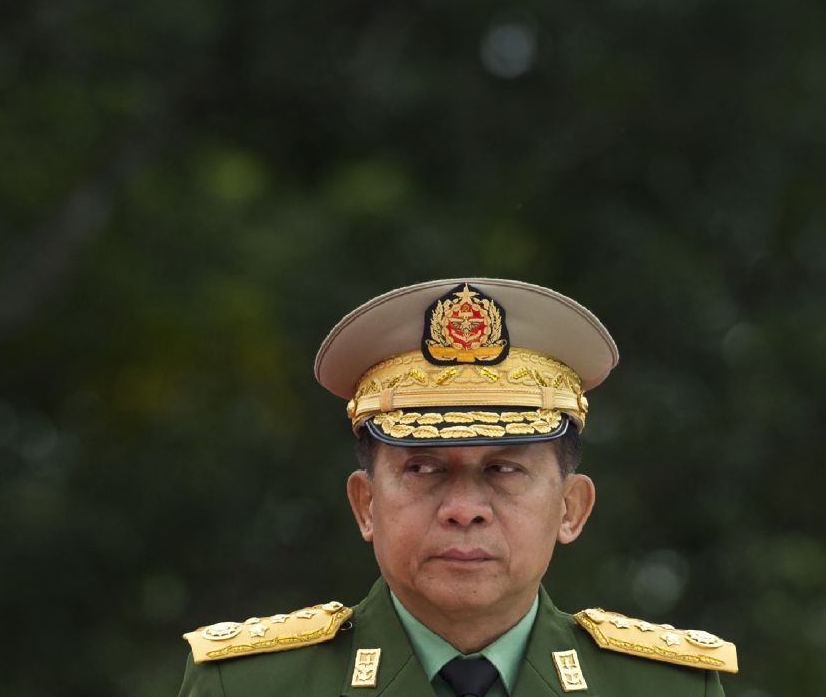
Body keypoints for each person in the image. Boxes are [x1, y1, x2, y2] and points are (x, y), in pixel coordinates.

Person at [178, 278, 737, 696]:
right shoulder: (246, 686)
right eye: (424, 470)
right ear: (365, 504)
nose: (464, 510)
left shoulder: (671, 688)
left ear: (572, 508)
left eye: (505, 470)